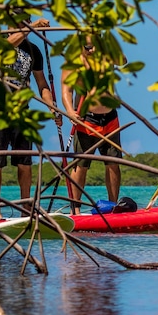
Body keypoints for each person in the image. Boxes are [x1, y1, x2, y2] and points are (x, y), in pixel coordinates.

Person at [0, 15, 63, 220]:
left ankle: (26, 207)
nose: (23, 23)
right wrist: (32, 27)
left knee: (25, 162)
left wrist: (53, 107)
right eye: (20, 20)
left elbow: (41, 84)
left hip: (22, 111)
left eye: (26, 20)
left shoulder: (33, 50)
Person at [61, 37, 123, 215]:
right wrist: (69, 111)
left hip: (110, 119)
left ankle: (113, 206)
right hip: (86, 119)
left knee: (113, 163)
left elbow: (123, 61)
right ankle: (76, 208)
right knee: (81, 165)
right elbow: (67, 90)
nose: (91, 51)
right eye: (88, 48)